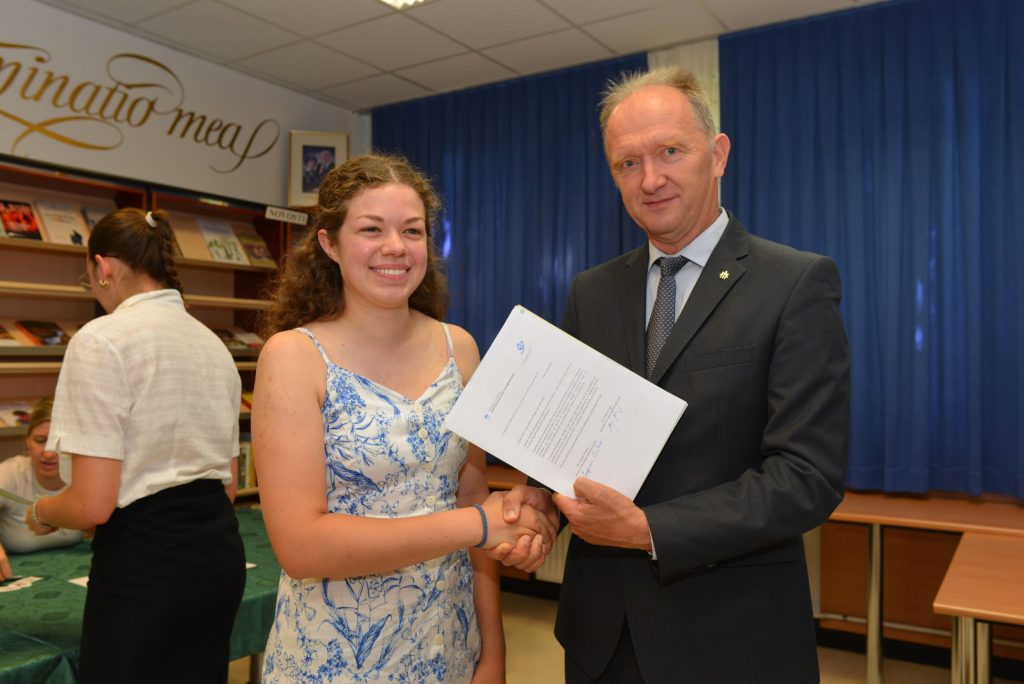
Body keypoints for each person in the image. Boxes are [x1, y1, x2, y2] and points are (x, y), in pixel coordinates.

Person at [494, 66, 851, 683]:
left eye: (669, 152)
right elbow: (570, 442)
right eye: (627, 163)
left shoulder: (794, 283)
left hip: (731, 639)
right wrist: (542, 508)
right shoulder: (591, 291)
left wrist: (648, 530)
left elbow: (807, 477)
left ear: (718, 155)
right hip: (600, 635)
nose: (650, 179)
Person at [254, 153, 556, 683]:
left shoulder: (459, 348)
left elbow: (471, 496)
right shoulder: (293, 357)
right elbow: (301, 547)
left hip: (449, 643)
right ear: (329, 243)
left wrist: (492, 651)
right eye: (371, 229)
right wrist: (479, 524)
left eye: (412, 231)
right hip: (336, 656)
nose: (395, 246)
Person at [25, 208, 245, 684]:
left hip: (146, 566)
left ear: (103, 267)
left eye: (89, 278)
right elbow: (227, 487)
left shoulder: (100, 341)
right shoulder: (213, 345)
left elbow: (92, 505)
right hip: (217, 556)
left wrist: (42, 511)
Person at [0, 397, 83, 579]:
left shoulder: (86, 477)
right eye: (40, 440)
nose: (48, 453)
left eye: (59, 443)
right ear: (27, 442)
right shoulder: (11, 473)